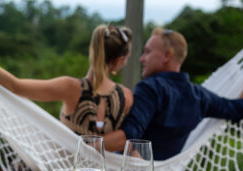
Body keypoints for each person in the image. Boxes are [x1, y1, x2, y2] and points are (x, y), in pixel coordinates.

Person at [0, 25, 133, 136]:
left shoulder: (71, 88)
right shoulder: (126, 97)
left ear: (93, 50)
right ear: (119, 61)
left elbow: (15, 86)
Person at [103, 28, 243, 160]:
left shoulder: (151, 88)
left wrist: (86, 145)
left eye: (148, 52)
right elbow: (236, 108)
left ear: (167, 55)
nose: (142, 59)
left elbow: (128, 136)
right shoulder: (199, 96)